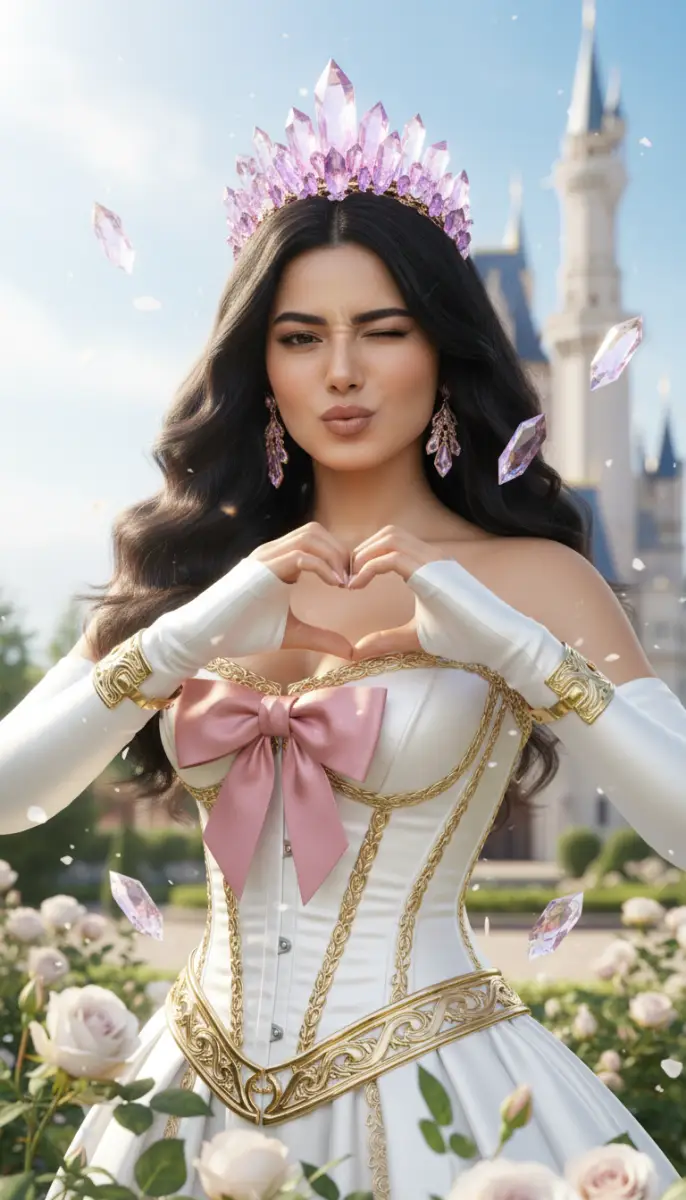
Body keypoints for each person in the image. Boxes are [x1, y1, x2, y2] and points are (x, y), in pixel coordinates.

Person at [1, 60, 684, 1198]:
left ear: (445, 352)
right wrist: (178, 639)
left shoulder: (536, 576)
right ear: (258, 364)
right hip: (184, 1105)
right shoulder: (191, 575)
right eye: (301, 337)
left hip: (449, 1099)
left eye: (383, 329)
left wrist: (522, 655)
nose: (345, 373)